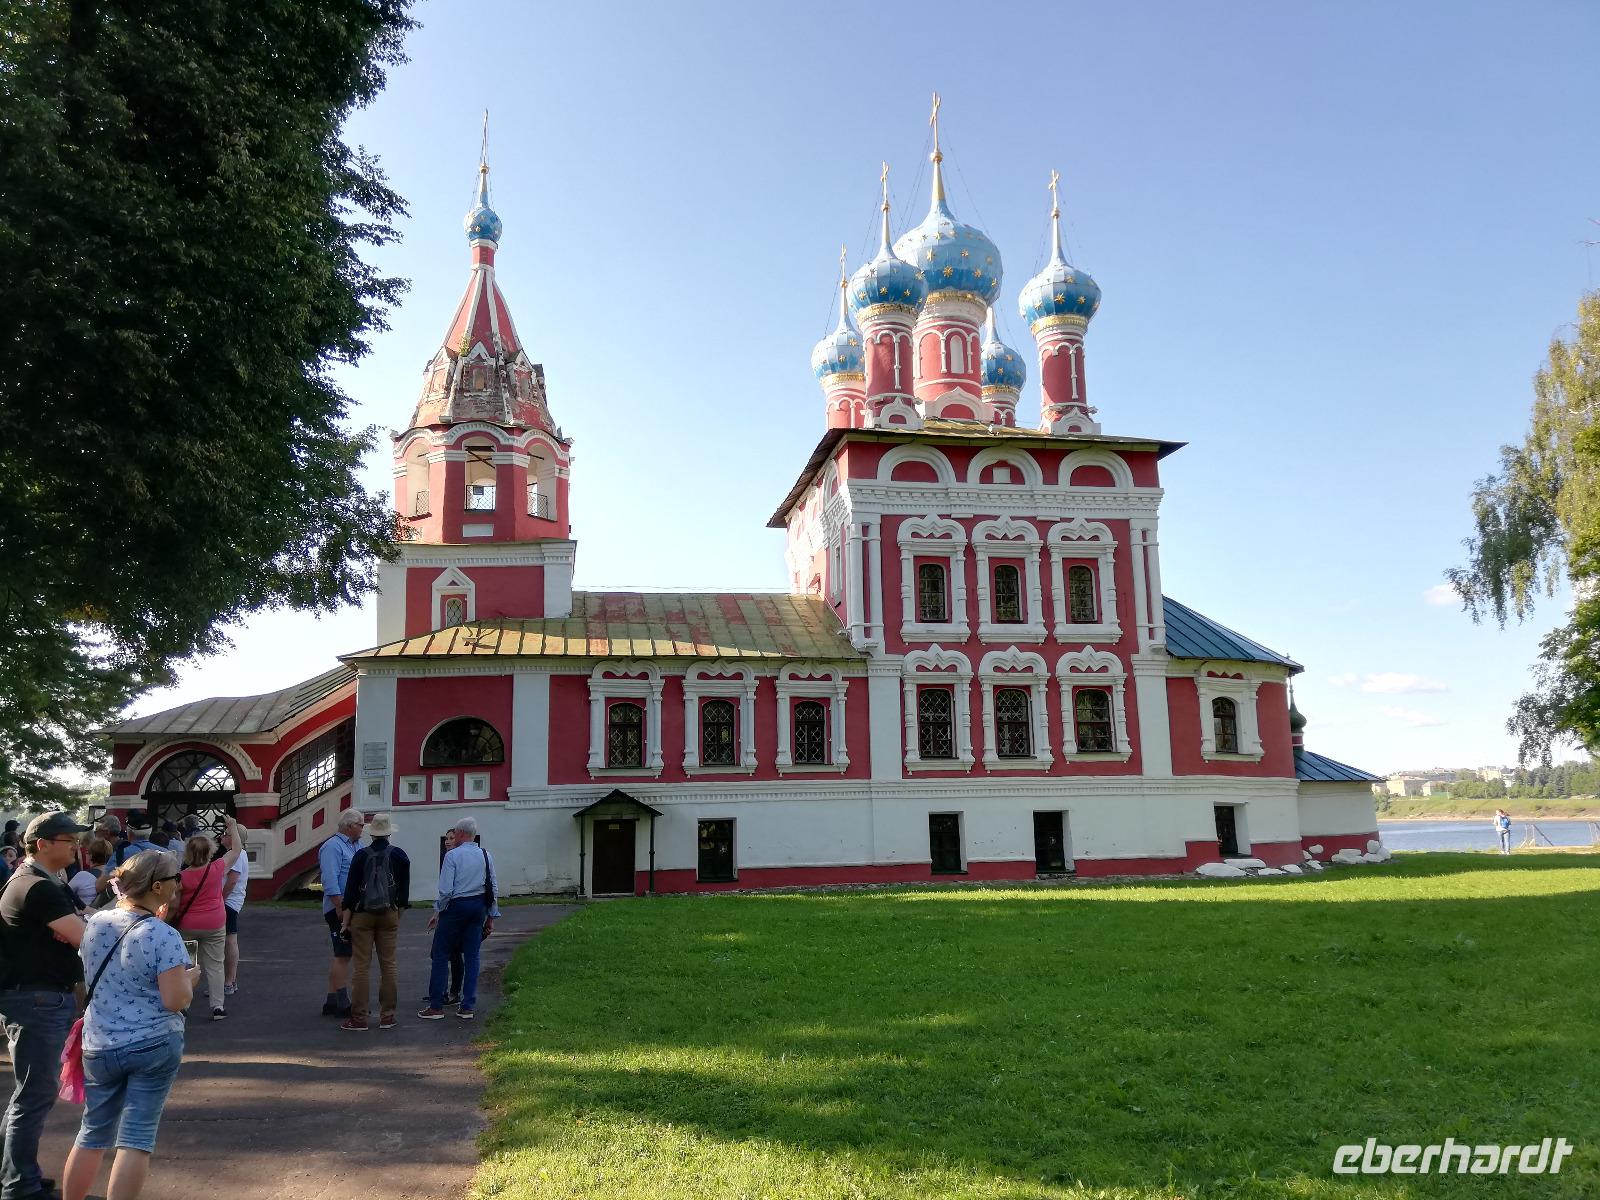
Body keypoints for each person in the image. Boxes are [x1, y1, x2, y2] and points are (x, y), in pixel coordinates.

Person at [60, 850, 198, 1200]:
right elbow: (175, 1000)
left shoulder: (96, 924)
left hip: (99, 1043)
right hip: (151, 1043)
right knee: (136, 1138)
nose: (179, 884)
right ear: (156, 886)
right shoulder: (163, 935)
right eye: (174, 879)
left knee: (91, 1133)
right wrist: (190, 979)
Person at [0, 811, 90, 1200]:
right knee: (33, 1095)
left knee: (29, 1093)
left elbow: (74, 927)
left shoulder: (38, 882)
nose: (76, 845)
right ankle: (20, 1187)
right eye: (69, 839)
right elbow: (85, 936)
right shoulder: (37, 887)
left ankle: (16, 1173)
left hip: (34, 997)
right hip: (36, 1000)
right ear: (43, 844)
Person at [420, 817, 500, 1021]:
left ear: (462, 834)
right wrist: (491, 915)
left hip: (456, 906)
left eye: (455, 833)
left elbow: (445, 889)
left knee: (441, 953)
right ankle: (467, 1005)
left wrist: (438, 911)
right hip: (479, 906)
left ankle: (436, 1005)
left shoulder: (452, 856)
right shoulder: (485, 854)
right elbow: (493, 886)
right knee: (472, 955)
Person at [338, 814, 410, 1032]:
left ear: (371, 833)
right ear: (389, 832)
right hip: (389, 912)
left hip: (362, 914)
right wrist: (397, 915)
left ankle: (359, 1018)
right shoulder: (399, 855)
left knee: (362, 966)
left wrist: (345, 922)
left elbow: (350, 894)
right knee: (388, 964)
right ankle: (387, 1016)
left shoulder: (360, 856)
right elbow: (404, 893)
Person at [171, 817, 242, 1020]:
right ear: (210, 851)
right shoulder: (216, 869)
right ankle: (217, 1007)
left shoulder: (181, 877)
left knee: (187, 964)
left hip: (188, 926)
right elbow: (235, 851)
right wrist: (233, 828)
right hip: (214, 924)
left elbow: (175, 903)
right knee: (215, 965)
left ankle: (183, 1005)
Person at [317, 810, 365, 1017]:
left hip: (351, 906)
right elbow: (329, 879)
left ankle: (331, 1000)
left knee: (342, 953)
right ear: (349, 826)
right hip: (340, 908)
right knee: (343, 954)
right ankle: (343, 1002)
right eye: (360, 825)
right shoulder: (332, 847)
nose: (363, 828)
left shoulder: (356, 846)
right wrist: (339, 907)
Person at [221, 826, 248, 997]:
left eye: (226, 834)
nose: (222, 836)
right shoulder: (236, 854)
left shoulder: (236, 855)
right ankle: (229, 981)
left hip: (228, 902)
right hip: (231, 902)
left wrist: (219, 900)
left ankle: (228, 981)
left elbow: (231, 881)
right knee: (227, 941)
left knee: (228, 941)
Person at [69, 839, 115, 909]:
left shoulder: (83, 875)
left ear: (91, 855)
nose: (85, 854)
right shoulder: (114, 876)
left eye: (87, 852)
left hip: (83, 916)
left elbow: (63, 894)